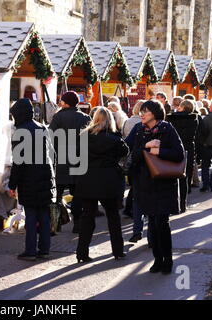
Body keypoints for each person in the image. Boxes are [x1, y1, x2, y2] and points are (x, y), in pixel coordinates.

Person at [126, 100, 185, 274]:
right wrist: (145, 146)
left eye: (145, 111)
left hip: (163, 183)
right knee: (152, 221)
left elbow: (179, 154)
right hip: (144, 183)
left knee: (162, 222)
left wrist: (160, 151)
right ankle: (157, 258)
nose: (142, 114)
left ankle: (167, 259)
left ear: (155, 113)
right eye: (141, 111)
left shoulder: (167, 129)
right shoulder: (138, 129)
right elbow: (130, 152)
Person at [75, 107, 128, 262]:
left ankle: (82, 253)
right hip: (108, 180)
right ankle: (118, 251)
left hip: (88, 179)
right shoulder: (115, 138)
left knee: (87, 217)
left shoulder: (84, 136)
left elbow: (77, 155)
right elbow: (125, 151)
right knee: (113, 217)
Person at [8, 98, 56, 261]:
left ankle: (30, 250)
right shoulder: (42, 128)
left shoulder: (20, 132)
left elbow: (18, 162)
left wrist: (12, 184)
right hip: (45, 175)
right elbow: (51, 153)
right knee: (43, 214)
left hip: (28, 178)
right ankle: (44, 249)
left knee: (31, 216)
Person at [49, 91, 90, 233]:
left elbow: (50, 136)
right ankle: (77, 223)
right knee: (78, 194)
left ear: (66, 103)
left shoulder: (58, 117)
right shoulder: (85, 118)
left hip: (60, 160)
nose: (60, 102)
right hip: (79, 159)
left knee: (57, 194)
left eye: (62, 100)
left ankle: (55, 224)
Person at [167, 100, 198, 213]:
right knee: (184, 178)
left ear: (182, 107)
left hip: (174, 148)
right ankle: (183, 204)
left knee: (172, 176)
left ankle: (174, 204)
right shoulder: (194, 119)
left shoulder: (171, 118)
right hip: (188, 148)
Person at [121, 99, 145, 219]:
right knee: (139, 186)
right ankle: (135, 209)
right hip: (140, 156)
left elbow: (125, 139)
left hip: (129, 156)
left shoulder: (127, 121)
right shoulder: (142, 124)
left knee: (133, 185)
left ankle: (129, 208)